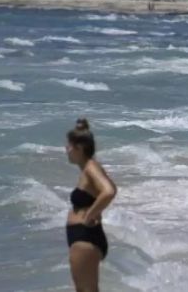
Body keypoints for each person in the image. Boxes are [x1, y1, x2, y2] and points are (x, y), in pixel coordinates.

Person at [65, 119, 117, 292]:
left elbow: (109, 191)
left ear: (79, 148)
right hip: (83, 237)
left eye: (69, 146)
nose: (66, 150)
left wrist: (89, 215)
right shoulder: (88, 168)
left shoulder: (91, 167)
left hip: (85, 237)